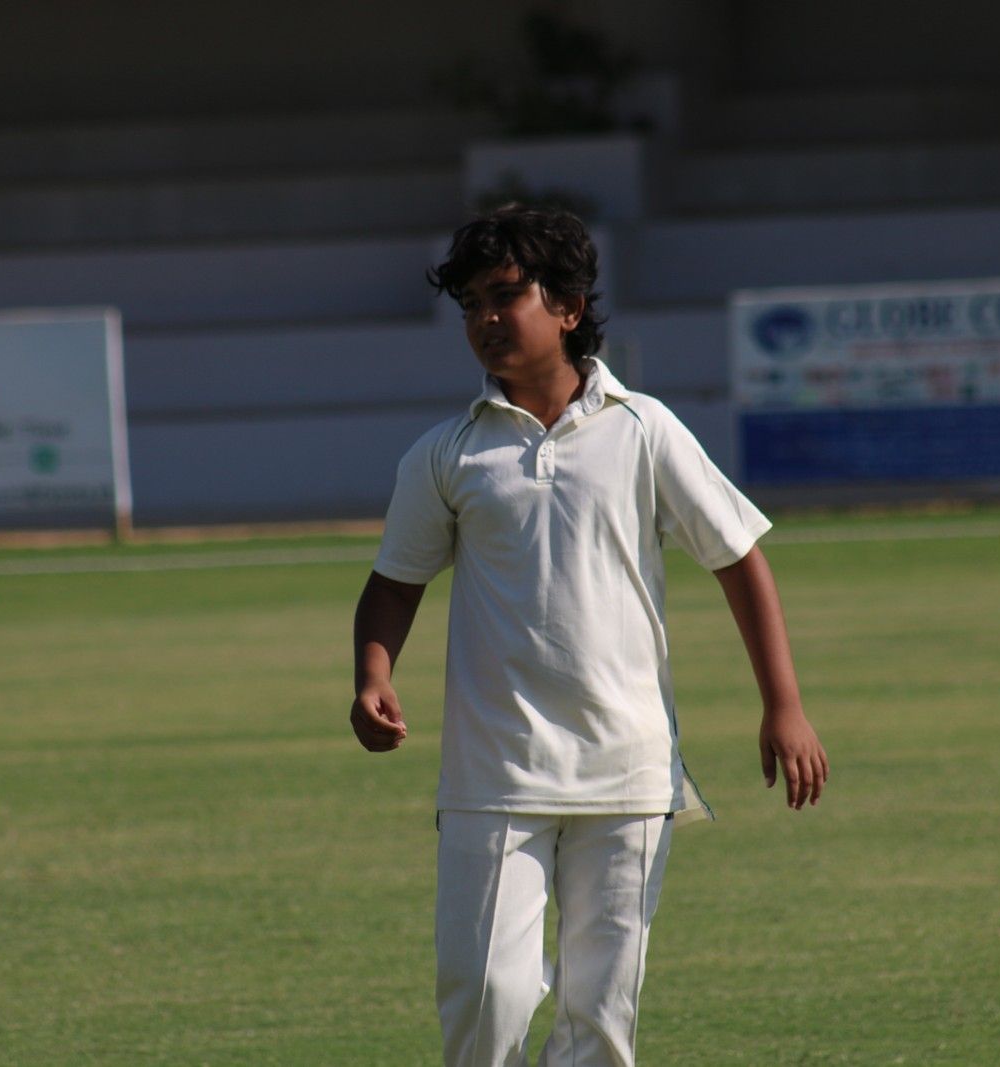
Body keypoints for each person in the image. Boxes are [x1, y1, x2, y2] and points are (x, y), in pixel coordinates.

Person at [349, 204, 828, 1067]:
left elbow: (738, 558)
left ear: (568, 306)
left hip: (626, 768)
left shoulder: (644, 428)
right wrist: (373, 675)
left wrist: (783, 704)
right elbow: (394, 582)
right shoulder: (449, 453)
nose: (485, 319)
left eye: (505, 296)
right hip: (495, 773)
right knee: (486, 996)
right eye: (470, 304)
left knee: (600, 1018)